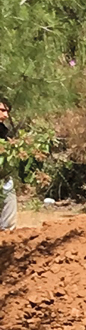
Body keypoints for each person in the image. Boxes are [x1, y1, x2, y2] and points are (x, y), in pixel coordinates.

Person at [0, 98, 15, 232]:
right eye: (2, 110)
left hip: (2, 172)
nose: (6, 115)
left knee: (8, 191)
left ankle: (7, 233)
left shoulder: (3, 130)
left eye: (7, 112)